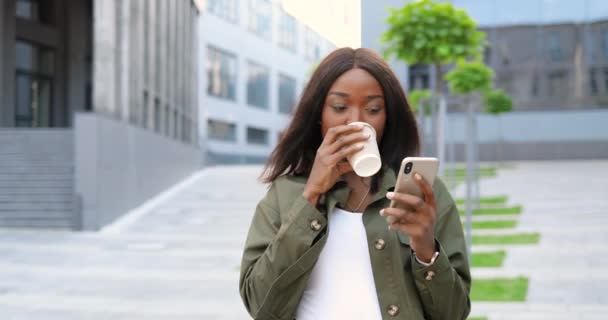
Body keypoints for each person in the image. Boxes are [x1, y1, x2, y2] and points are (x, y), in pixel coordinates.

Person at [239, 48, 470, 320]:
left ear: (388, 116)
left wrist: (425, 249)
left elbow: (454, 313)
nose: (357, 121)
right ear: (318, 114)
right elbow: (260, 306)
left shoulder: (420, 192)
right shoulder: (286, 193)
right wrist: (311, 195)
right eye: (339, 107)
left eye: (373, 109)